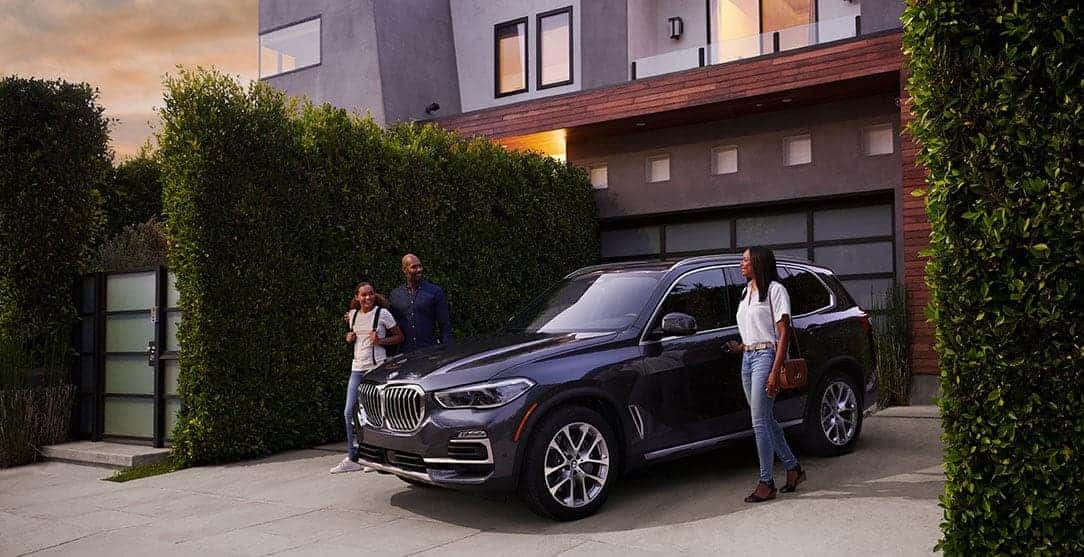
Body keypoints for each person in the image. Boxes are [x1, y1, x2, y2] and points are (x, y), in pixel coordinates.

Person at [725, 246, 807, 502]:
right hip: (747, 358)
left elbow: (782, 334)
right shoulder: (745, 292)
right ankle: (793, 468)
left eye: (746, 260)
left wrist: (774, 371)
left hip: (766, 357)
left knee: (759, 422)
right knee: (765, 418)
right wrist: (741, 346)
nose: (742, 264)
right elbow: (752, 328)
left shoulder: (775, 291)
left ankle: (766, 482)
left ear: (759, 263)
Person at [330, 281, 403, 474]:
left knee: (378, 413)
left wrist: (381, 341)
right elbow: (353, 336)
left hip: (377, 368)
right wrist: (349, 338)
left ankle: (374, 457)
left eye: (371, 294)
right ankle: (353, 457)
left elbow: (399, 337)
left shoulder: (382, 314)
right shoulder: (352, 315)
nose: (368, 297)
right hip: (357, 368)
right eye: (364, 295)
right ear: (357, 297)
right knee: (349, 412)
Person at [388, 254, 452, 353]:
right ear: (404, 270)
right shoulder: (395, 295)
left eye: (420, 266)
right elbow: (391, 327)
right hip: (405, 353)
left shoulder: (435, 292)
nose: (419, 270)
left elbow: (445, 324)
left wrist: (446, 349)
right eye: (414, 267)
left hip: (429, 350)